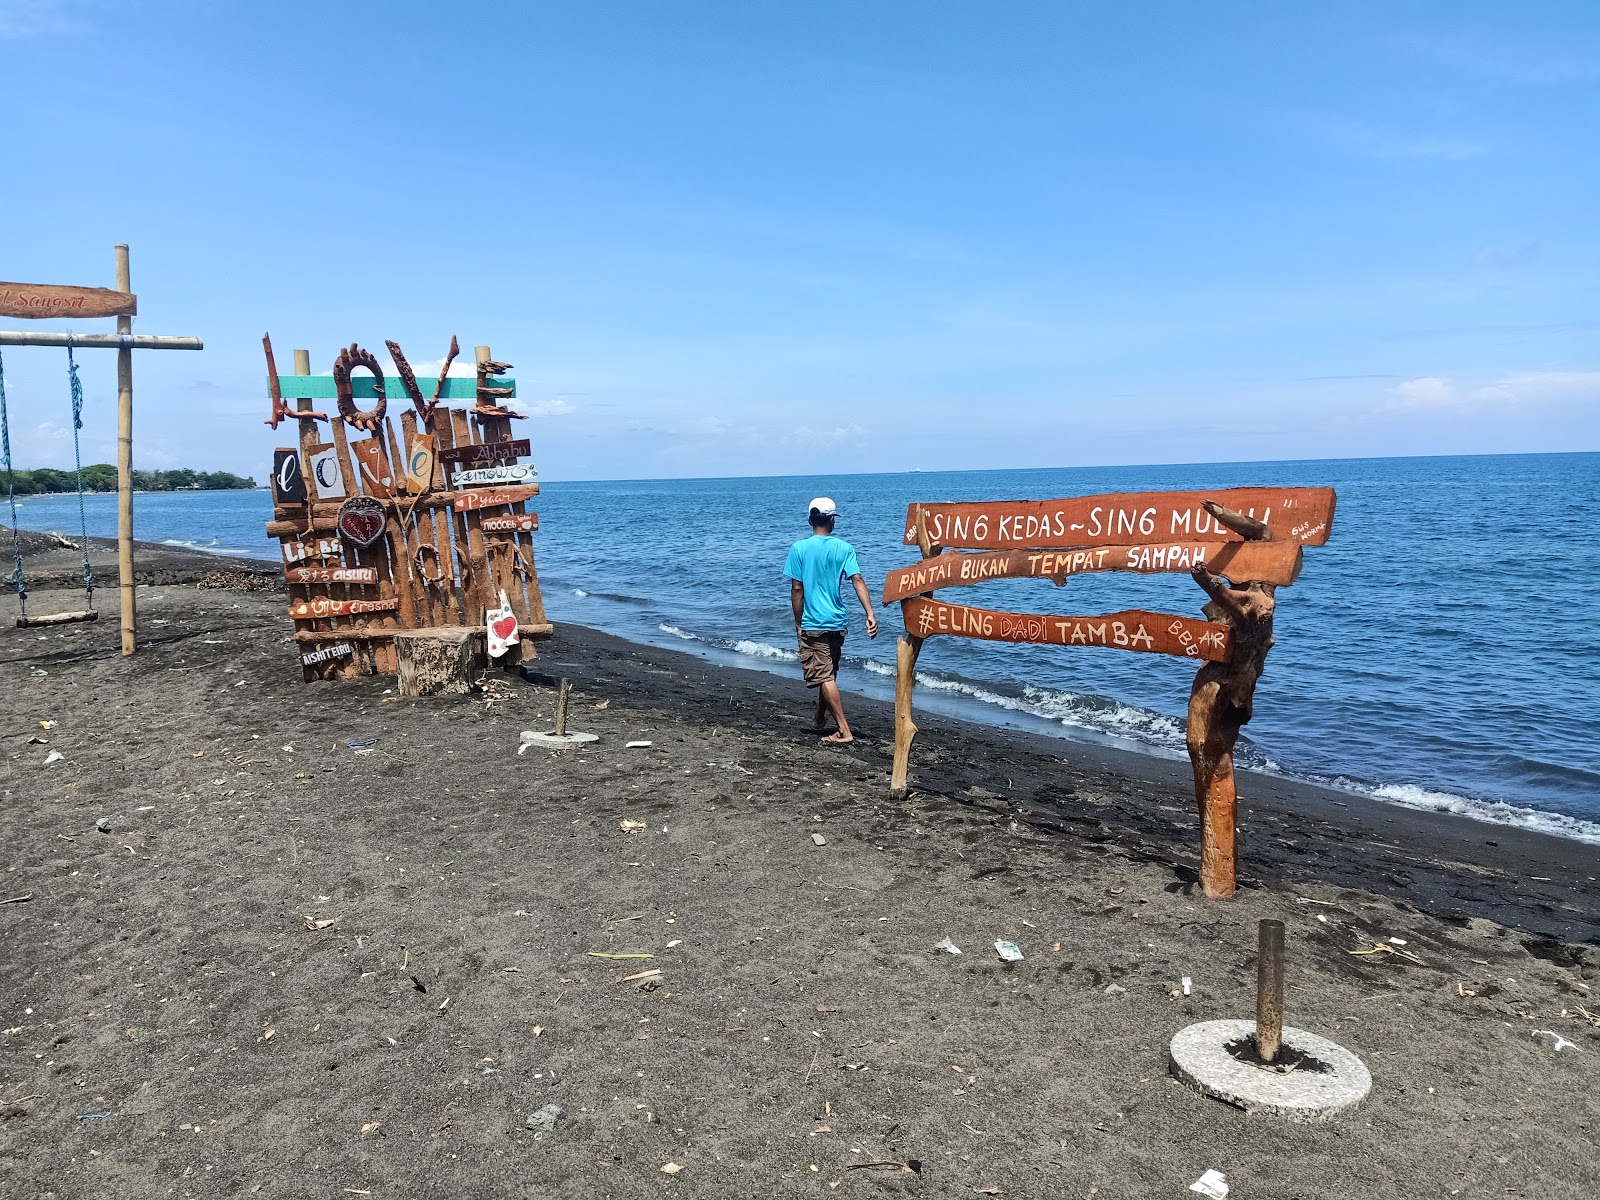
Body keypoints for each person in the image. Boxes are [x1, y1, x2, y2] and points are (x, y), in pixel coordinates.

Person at [784, 497, 877, 743]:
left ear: (810, 520)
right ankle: (818, 718)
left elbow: (797, 589)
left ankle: (844, 730)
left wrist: (798, 621)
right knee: (830, 673)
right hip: (837, 620)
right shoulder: (844, 548)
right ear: (832, 521)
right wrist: (870, 613)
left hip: (814, 622)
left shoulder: (799, 549)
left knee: (824, 676)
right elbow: (857, 579)